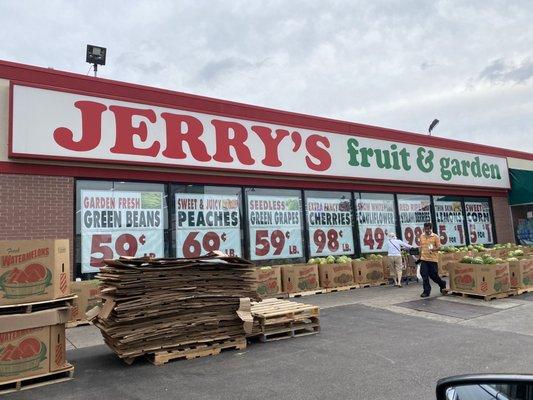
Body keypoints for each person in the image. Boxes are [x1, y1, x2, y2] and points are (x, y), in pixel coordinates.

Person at [419, 222, 447, 297]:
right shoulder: (421, 236)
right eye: (425, 229)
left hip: (432, 260)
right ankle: (426, 291)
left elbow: (439, 247)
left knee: (434, 276)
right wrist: (419, 256)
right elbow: (421, 247)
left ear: (431, 228)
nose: (427, 230)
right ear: (424, 228)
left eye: (428, 229)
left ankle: (442, 284)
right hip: (424, 259)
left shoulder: (435, 237)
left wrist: (434, 249)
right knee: (424, 274)